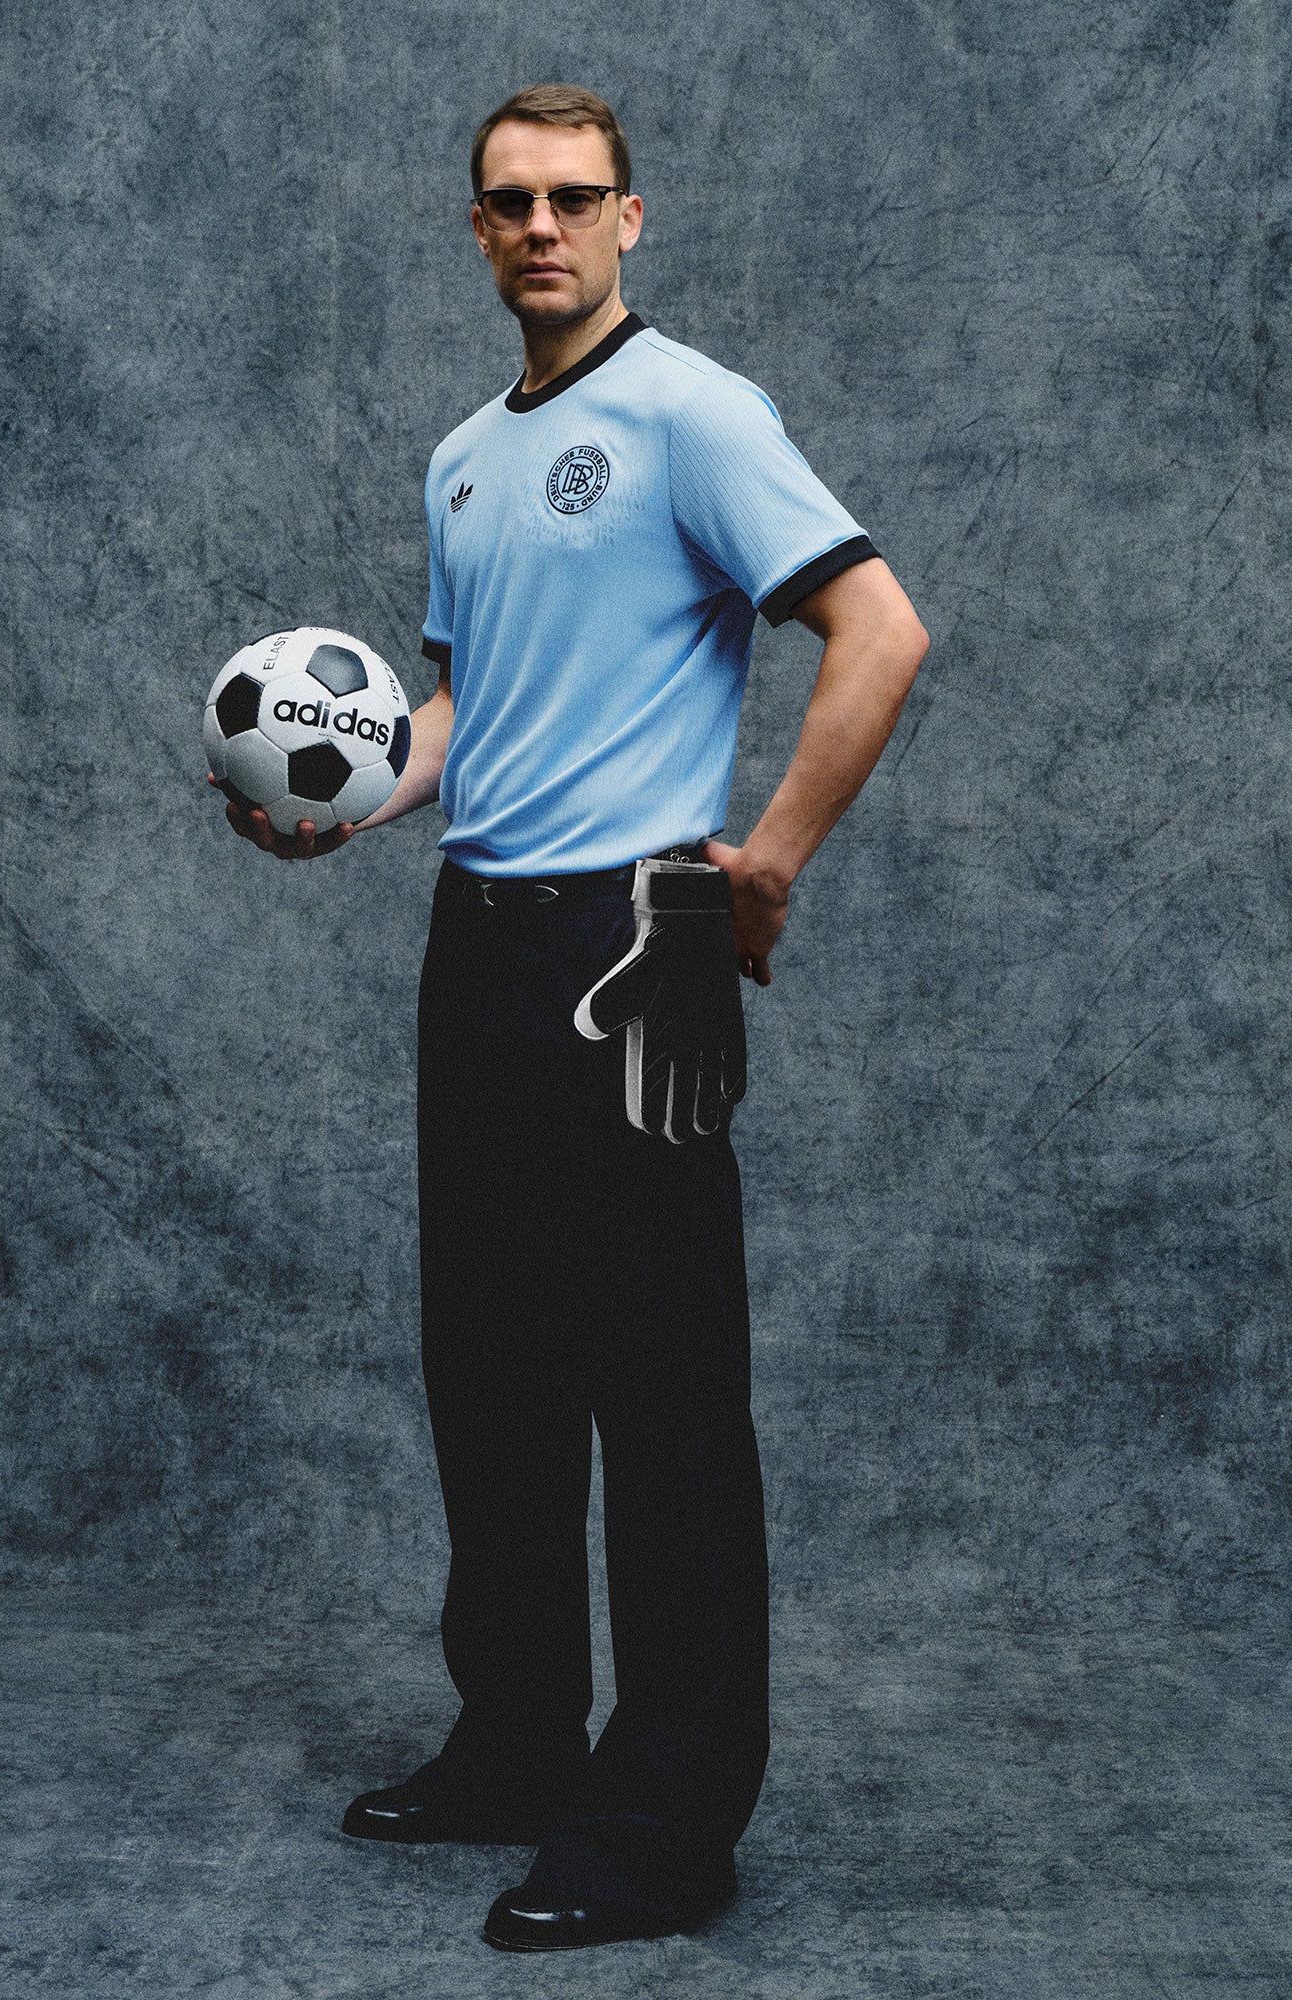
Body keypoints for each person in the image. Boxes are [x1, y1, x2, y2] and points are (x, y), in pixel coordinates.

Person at [217, 84, 929, 1952]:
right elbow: (471, 715)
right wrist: (348, 798)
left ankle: (663, 1826)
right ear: (477, 229)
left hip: (628, 957)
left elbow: (882, 632)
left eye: (574, 198)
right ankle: (521, 1743)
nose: (542, 226)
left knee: (663, 1402)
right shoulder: (465, 458)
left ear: (631, 218)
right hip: (478, 951)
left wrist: (767, 863)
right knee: (495, 1376)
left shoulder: (695, 413)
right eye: (509, 201)